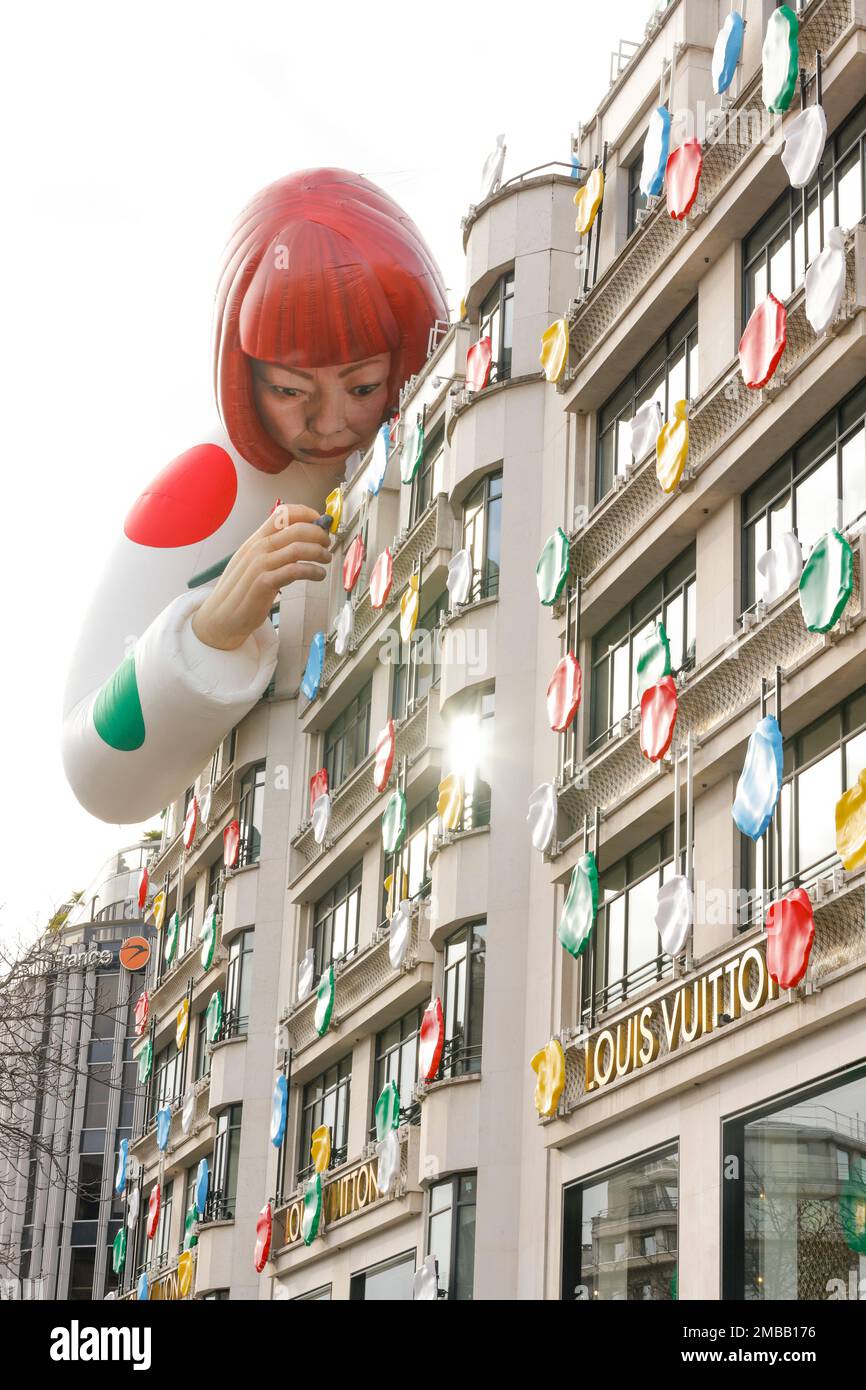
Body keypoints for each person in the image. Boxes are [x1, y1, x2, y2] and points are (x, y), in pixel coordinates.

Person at [62, 168, 448, 823]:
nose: (329, 423)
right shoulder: (207, 483)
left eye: (360, 388)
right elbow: (90, 762)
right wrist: (214, 628)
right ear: (245, 375)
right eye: (292, 391)